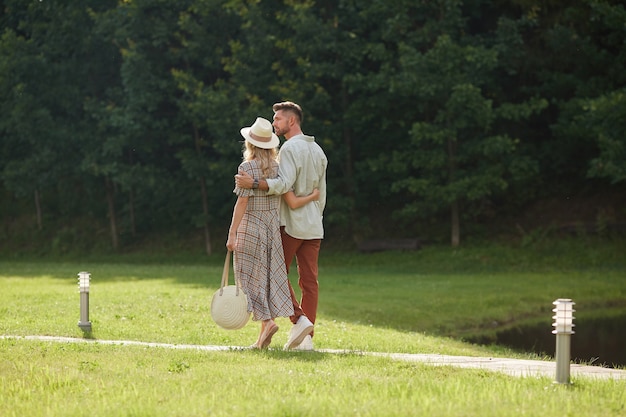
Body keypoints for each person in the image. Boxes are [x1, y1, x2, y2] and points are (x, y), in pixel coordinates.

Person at [235, 102, 328, 351]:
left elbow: (283, 183)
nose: (274, 123)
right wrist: (314, 216)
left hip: (290, 225)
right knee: (309, 282)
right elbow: (322, 194)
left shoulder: (288, 149)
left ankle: (297, 321)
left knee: (274, 274)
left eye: (277, 119)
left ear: (291, 121)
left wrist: (254, 182)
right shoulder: (318, 151)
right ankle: (306, 341)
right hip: (313, 226)